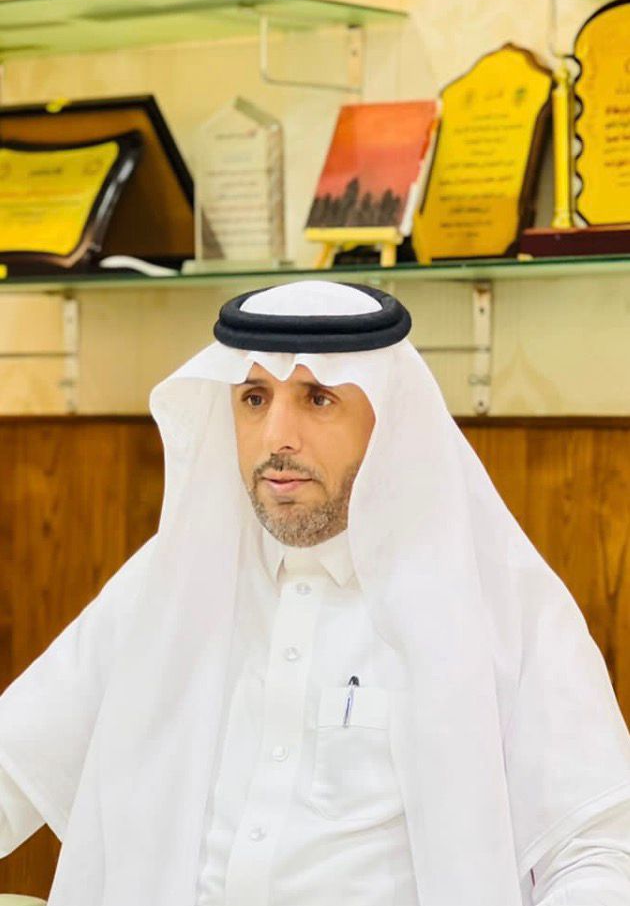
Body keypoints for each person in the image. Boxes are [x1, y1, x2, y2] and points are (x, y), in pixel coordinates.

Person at [0, 280, 628, 906]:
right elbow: (14, 764)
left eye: (318, 398)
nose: (277, 437)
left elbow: (597, 851)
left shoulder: (504, 602)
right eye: (254, 398)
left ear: (387, 421)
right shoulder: (167, 581)